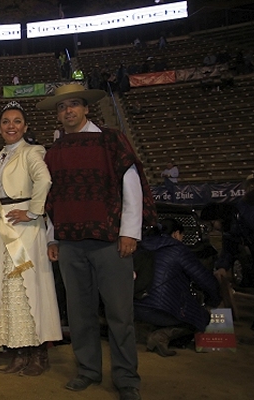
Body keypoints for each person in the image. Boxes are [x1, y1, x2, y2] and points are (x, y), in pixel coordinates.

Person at [38, 84, 156, 400]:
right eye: (62, 107)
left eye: (74, 105)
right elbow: (51, 200)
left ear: (86, 108)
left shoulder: (111, 140)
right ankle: (88, 370)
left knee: (120, 314)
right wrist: (53, 237)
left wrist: (130, 231)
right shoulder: (54, 151)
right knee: (79, 314)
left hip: (109, 241)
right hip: (70, 243)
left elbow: (131, 185)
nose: (68, 111)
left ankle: (127, 378)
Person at [0, 102, 62, 376]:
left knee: (31, 286)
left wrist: (33, 211)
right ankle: (18, 351)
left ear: (25, 127)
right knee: (9, 291)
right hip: (1, 225)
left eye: (17, 121)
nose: (11, 126)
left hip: (26, 228)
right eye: (6, 121)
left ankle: (39, 352)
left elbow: (44, 181)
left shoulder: (33, 152)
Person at [135, 218, 221, 356]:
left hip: (134, 308)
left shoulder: (139, 246)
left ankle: (144, 333)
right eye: (182, 235)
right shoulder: (178, 250)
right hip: (160, 310)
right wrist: (214, 301)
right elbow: (205, 280)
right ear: (176, 234)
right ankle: (162, 336)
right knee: (200, 317)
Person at [200, 175, 254, 345]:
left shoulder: (250, 214)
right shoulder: (233, 227)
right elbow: (228, 250)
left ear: (219, 219)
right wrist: (222, 267)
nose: (212, 228)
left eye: (211, 223)